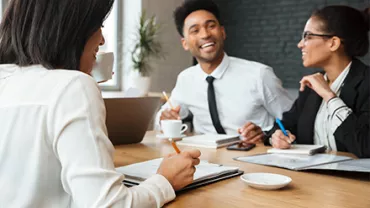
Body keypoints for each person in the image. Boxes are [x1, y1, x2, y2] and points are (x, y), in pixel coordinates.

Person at [0, 0, 201, 207]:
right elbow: (107, 204)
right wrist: (165, 181)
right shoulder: (72, 86)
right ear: (72, 28)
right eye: (99, 26)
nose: (103, 39)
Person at [156, 0, 293, 144]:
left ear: (222, 32)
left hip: (252, 158)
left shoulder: (259, 75)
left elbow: (294, 121)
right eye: (195, 30)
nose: (205, 35)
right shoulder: (186, 79)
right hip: (205, 161)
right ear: (185, 43)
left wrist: (268, 136)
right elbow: (166, 114)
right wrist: (164, 117)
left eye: (211, 26)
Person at [265, 5, 370, 158]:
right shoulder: (311, 86)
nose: (300, 44)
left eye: (308, 36)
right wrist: (277, 136)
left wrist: (329, 96)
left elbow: (365, 146)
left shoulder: (366, 82)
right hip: (314, 178)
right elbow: (284, 125)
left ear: (333, 43)